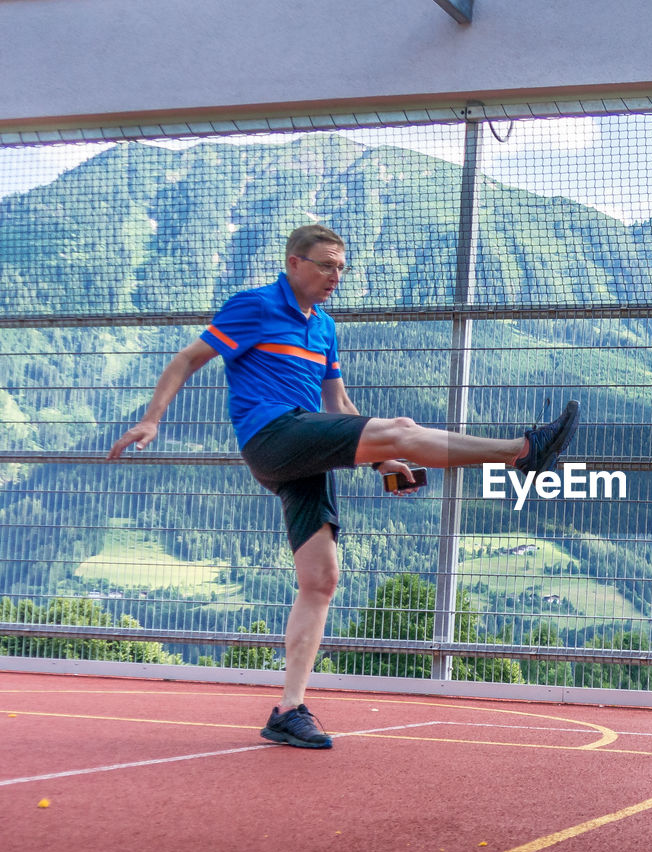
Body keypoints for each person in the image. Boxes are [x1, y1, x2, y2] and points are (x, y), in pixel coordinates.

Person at [108, 224, 579, 750]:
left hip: (304, 450)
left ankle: (288, 709)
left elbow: (341, 409)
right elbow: (186, 359)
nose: (336, 276)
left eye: (341, 268)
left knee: (321, 578)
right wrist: (152, 419)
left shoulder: (325, 328)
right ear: (293, 263)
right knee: (399, 428)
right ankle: (522, 451)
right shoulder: (255, 307)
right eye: (326, 265)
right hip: (273, 435)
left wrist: (385, 464)